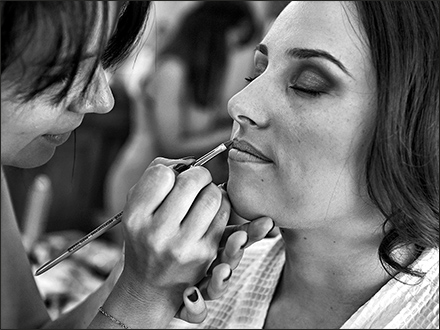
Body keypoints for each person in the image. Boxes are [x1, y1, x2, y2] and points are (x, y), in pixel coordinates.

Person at [1, 1, 274, 328]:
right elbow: (172, 139)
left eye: (103, 59)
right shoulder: (172, 70)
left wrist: (134, 274)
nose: (103, 101)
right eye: (66, 69)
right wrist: (147, 295)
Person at [167, 1, 439, 329]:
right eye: (254, 74)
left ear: (416, 128)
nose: (238, 103)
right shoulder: (201, 287)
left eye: (307, 85)